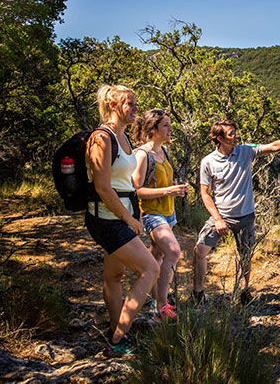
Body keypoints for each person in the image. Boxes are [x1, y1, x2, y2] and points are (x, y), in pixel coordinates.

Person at [192, 120, 280, 305]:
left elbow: (273, 147)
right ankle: (198, 293)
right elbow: (205, 193)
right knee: (200, 251)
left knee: (245, 255)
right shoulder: (208, 162)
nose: (236, 136)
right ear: (219, 138)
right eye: (231, 133)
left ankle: (244, 291)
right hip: (222, 217)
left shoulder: (245, 150)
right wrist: (217, 219)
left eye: (235, 132)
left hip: (246, 216)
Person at [85, 84, 160, 357]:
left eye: (136, 103)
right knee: (150, 270)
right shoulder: (101, 138)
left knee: (114, 276)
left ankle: (115, 327)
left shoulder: (124, 138)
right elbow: (103, 187)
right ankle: (117, 340)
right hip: (108, 219)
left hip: (122, 215)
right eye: (130, 103)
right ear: (114, 106)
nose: (136, 108)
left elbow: (125, 180)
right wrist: (128, 218)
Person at [132, 109, 188, 320]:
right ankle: (163, 306)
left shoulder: (164, 151)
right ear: (153, 129)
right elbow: (137, 190)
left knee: (157, 256)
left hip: (168, 212)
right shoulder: (142, 154)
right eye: (165, 125)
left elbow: (164, 183)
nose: (170, 128)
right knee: (173, 251)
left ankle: (149, 298)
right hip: (151, 214)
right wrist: (168, 191)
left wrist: (178, 189)